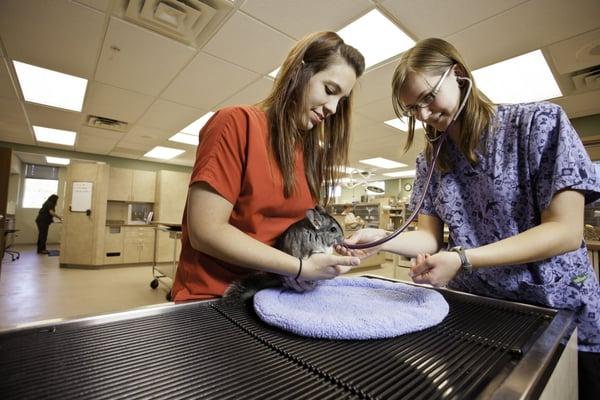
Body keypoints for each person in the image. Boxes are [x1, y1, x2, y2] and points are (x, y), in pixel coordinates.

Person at [341, 38, 600, 399]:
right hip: (476, 311)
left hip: (552, 311)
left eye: (429, 98)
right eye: (413, 109)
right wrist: (378, 236)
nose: (425, 116)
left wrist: (463, 258)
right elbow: (428, 239)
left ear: (459, 74)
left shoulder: (537, 125)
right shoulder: (432, 160)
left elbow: (565, 232)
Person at [171, 31, 365, 301]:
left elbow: (292, 233)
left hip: (277, 295)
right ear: (300, 72)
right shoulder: (236, 124)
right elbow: (206, 232)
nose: (333, 107)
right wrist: (299, 268)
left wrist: (327, 252)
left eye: (341, 100)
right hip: (217, 299)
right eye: (330, 90)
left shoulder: (312, 155)